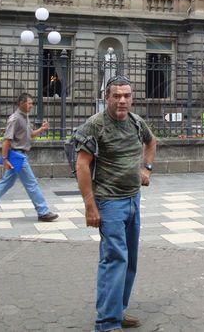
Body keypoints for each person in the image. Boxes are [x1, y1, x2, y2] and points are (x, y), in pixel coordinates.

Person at [76, 75, 157, 332]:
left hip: (133, 199)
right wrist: (90, 205)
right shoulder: (95, 125)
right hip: (109, 202)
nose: (122, 100)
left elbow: (151, 142)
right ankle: (106, 323)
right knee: (114, 259)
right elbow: (82, 165)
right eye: (116, 96)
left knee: (129, 260)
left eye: (126, 95)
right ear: (106, 98)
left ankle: (118, 311)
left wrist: (147, 168)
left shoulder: (136, 122)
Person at [0, 93, 59, 222]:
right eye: (29, 103)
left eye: (32, 103)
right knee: (32, 184)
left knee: (5, 183)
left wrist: (41, 129)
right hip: (18, 156)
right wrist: (5, 160)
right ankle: (43, 211)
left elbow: (30, 135)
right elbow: (6, 140)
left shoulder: (25, 117)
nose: (31, 106)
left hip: (18, 155)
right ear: (21, 103)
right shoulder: (15, 118)